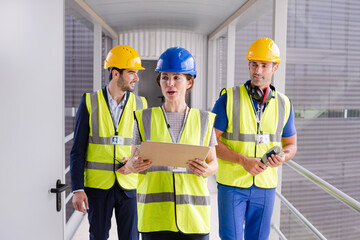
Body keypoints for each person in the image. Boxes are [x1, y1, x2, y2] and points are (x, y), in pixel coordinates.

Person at [126, 47, 218, 240]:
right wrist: (132, 165)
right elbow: (131, 162)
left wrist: (205, 170)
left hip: (194, 218)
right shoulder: (144, 118)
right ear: (159, 81)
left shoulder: (204, 120)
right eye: (165, 77)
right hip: (155, 218)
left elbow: (214, 164)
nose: (170, 83)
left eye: (177, 77)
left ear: (189, 82)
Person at [212, 38, 298, 240]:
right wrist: (242, 160)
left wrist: (283, 157)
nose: (257, 70)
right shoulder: (229, 98)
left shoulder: (284, 104)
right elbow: (210, 142)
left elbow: (291, 145)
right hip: (232, 186)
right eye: (254, 64)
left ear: (275, 67)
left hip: (265, 187)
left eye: (264, 65)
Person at [70, 45, 148, 240]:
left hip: (129, 186)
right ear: (115, 73)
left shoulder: (141, 104)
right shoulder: (89, 101)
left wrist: (135, 163)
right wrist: (77, 189)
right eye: (132, 73)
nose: (136, 78)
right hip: (97, 188)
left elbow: (147, 147)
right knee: (98, 236)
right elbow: (77, 150)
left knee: (130, 237)